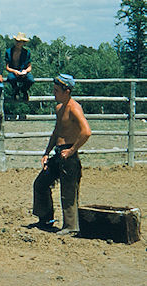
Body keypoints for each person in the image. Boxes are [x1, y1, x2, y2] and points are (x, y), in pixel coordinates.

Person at [33, 74, 91, 235]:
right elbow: (56, 132)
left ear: (67, 91)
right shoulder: (60, 108)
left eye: (57, 90)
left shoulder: (74, 108)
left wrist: (72, 151)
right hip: (58, 153)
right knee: (40, 183)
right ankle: (45, 218)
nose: (54, 93)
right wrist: (46, 153)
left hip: (69, 154)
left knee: (68, 191)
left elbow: (86, 132)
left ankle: (71, 226)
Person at [5, 32, 35, 102]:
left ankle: (24, 90)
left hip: (23, 71)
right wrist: (14, 71)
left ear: (23, 43)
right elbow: (7, 67)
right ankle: (16, 90)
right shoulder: (8, 51)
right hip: (13, 71)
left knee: (31, 80)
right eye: (17, 41)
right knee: (10, 78)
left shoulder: (27, 52)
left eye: (20, 42)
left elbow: (29, 67)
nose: (18, 43)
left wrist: (25, 71)